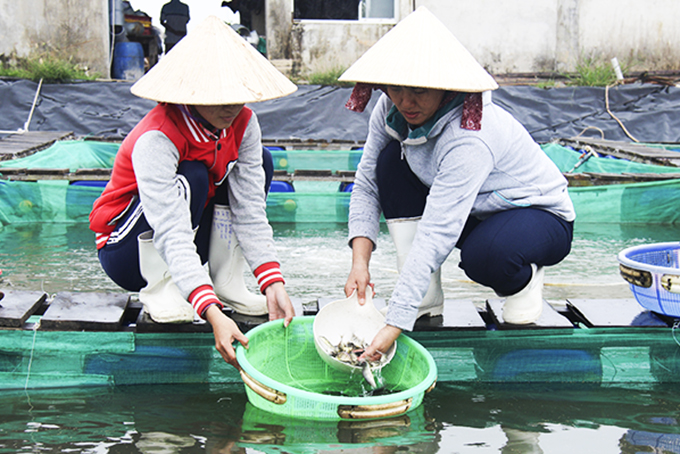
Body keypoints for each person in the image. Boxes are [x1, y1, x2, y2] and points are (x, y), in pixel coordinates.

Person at [339, 7, 575, 361]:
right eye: (395, 88)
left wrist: (395, 321)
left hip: (535, 215)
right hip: (473, 210)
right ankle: (425, 296)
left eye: (418, 89)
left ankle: (523, 281)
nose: (405, 101)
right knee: (389, 162)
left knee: (485, 259)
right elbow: (367, 185)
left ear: (446, 86)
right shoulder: (391, 110)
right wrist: (359, 263)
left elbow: (437, 229)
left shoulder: (470, 135)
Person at [89, 16, 298, 368]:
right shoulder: (158, 136)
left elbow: (249, 211)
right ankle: (163, 287)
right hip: (127, 250)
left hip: (185, 235)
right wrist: (211, 313)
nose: (231, 104)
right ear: (192, 91)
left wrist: (272, 281)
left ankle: (227, 280)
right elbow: (170, 229)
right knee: (195, 175)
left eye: (238, 91)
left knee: (260, 161)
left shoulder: (244, 124)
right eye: (217, 94)